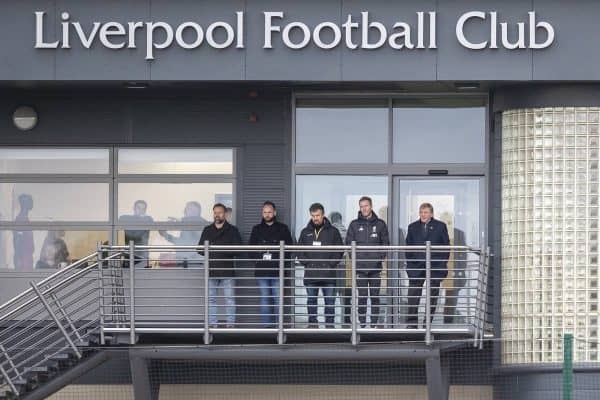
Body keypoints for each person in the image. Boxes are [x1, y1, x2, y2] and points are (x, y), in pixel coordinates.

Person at [297, 203, 343, 328]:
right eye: (313, 216)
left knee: (330, 302)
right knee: (311, 302)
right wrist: (306, 262)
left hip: (328, 275)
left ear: (323, 215)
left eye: (317, 215)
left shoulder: (333, 232)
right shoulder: (305, 232)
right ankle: (312, 326)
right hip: (311, 274)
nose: (315, 218)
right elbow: (299, 250)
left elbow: (340, 251)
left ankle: (329, 327)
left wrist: (330, 264)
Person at [346, 196, 390, 328]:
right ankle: (363, 324)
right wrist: (355, 260)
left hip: (375, 268)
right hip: (360, 268)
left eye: (366, 206)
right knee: (362, 297)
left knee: (375, 297)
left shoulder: (380, 224)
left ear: (371, 206)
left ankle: (375, 323)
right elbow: (348, 244)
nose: (364, 208)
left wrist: (379, 257)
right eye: (361, 206)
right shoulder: (354, 224)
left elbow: (386, 243)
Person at [248, 201, 294, 327]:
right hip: (262, 269)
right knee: (265, 299)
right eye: (265, 212)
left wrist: (280, 260)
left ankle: (279, 327)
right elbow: (250, 248)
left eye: (269, 212)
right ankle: (267, 327)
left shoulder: (283, 228)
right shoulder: (256, 229)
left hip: (277, 269)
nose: (267, 214)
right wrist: (257, 259)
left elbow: (289, 247)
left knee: (278, 299)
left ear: (274, 212)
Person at [405, 202, 450, 328]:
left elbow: (446, 247)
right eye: (421, 212)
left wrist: (441, 263)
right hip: (416, 267)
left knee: (432, 296)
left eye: (425, 212)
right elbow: (407, 247)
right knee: (413, 295)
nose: (423, 215)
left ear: (431, 214)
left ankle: (427, 324)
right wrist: (411, 262)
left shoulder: (440, 226)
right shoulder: (412, 227)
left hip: (435, 267)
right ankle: (411, 324)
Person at [198, 203, 243, 327]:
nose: (217, 215)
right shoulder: (207, 230)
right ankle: (213, 325)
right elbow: (200, 249)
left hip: (227, 270)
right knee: (211, 300)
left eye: (220, 212)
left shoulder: (233, 230)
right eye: (215, 212)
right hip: (211, 270)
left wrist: (218, 249)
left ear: (225, 214)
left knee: (230, 299)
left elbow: (238, 249)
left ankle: (230, 325)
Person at [159, 201, 208, 268]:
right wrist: (164, 232)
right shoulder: (184, 223)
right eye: (189, 209)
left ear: (198, 212)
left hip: (196, 262)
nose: (191, 212)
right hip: (182, 261)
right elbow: (181, 241)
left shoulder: (202, 222)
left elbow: (200, 236)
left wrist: (181, 220)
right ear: (185, 211)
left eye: (193, 210)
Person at [119, 200, 153, 267]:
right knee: (127, 275)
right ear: (134, 208)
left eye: (143, 209)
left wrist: (141, 218)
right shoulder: (127, 219)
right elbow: (120, 218)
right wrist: (139, 218)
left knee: (142, 276)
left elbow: (150, 220)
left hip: (142, 255)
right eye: (138, 208)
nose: (141, 210)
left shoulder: (148, 219)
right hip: (129, 253)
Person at [13, 194, 34, 271]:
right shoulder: (21, 219)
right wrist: (19, 258)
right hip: (23, 257)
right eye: (29, 201)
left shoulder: (25, 218)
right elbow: (18, 239)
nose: (31, 204)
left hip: (27, 257)